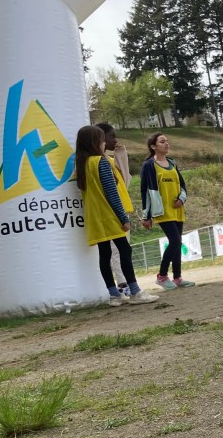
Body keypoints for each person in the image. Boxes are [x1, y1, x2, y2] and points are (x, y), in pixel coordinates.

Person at [73, 126, 158, 306]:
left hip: (95, 217)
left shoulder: (82, 164)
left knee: (104, 254)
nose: (104, 143)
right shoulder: (101, 162)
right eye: (101, 140)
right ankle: (135, 291)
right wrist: (123, 217)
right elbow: (112, 192)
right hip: (109, 215)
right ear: (95, 142)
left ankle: (114, 294)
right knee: (125, 250)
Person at [140, 132, 195, 289]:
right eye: (162, 141)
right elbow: (145, 191)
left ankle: (177, 277)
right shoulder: (149, 165)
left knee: (178, 243)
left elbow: (182, 185)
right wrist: (146, 216)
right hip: (162, 211)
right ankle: (162, 276)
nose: (166, 144)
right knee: (175, 241)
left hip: (177, 209)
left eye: (167, 141)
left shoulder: (172, 162)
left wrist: (181, 199)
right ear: (153, 146)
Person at [97, 123, 132, 294]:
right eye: (111, 136)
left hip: (122, 209)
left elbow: (125, 181)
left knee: (123, 248)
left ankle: (124, 283)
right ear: (101, 138)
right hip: (111, 212)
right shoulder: (99, 163)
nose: (115, 140)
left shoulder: (110, 161)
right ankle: (122, 284)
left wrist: (121, 156)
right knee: (115, 251)